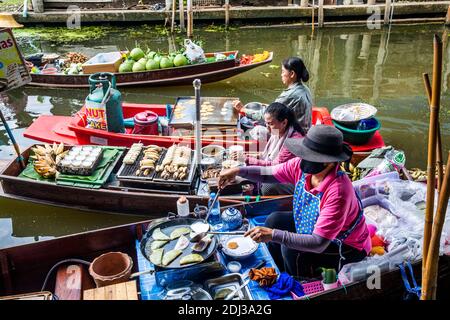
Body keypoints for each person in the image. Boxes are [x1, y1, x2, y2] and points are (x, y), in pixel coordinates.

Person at [219, 125, 371, 278]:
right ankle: (279, 270)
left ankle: (298, 281)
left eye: (310, 156)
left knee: (290, 249)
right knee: (274, 219)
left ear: (329, 162)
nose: (303, 159)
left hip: (345, 246)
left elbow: (318, 243)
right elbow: (268, 174)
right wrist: (239, 171)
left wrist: (274, 235)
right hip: (314, 226)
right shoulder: (301, 166)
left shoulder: (338, 192)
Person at [234, 57, 313, 133]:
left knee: (257, 130)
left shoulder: (290, 95)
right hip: (304, 130)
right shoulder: (305, 89)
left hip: (294, 135)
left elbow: (268, 116)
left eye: (283, 72)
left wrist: (243, 110)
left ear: (292, 74)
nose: (281, 75)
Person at [243, 102, 304, 195]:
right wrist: (250, 156)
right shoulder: (278, 132)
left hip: (296, 180)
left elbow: (274, 166)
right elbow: (267, 155)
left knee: (267, 186)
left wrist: (248, 160)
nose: (267, 127)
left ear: (284, 122)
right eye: (266, 123)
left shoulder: (292, 141)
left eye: (270, 124)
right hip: (280, 170)